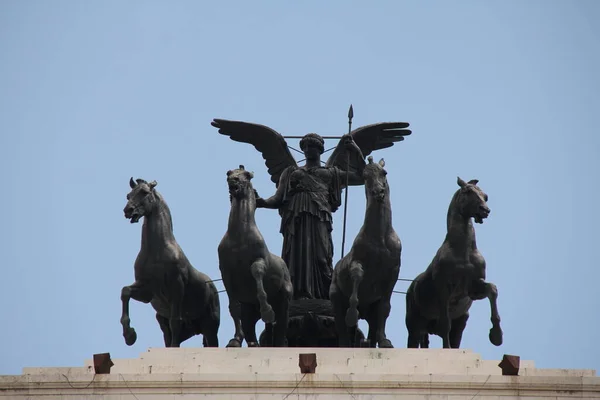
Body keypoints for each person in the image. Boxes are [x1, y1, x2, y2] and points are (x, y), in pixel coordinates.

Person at [256, 133, 364, 300]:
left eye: (311, 147)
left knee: (322, 256)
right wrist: (260, 202)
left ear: (320, 150)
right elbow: (278, 198)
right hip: (295, 219)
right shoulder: (290, 172)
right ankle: (295, 295)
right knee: (295, 258)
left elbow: (364, 177)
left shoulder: (332, 173)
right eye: (305, 147)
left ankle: (323, 296)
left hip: (320, 217)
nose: (307, 150)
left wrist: (356, 151)